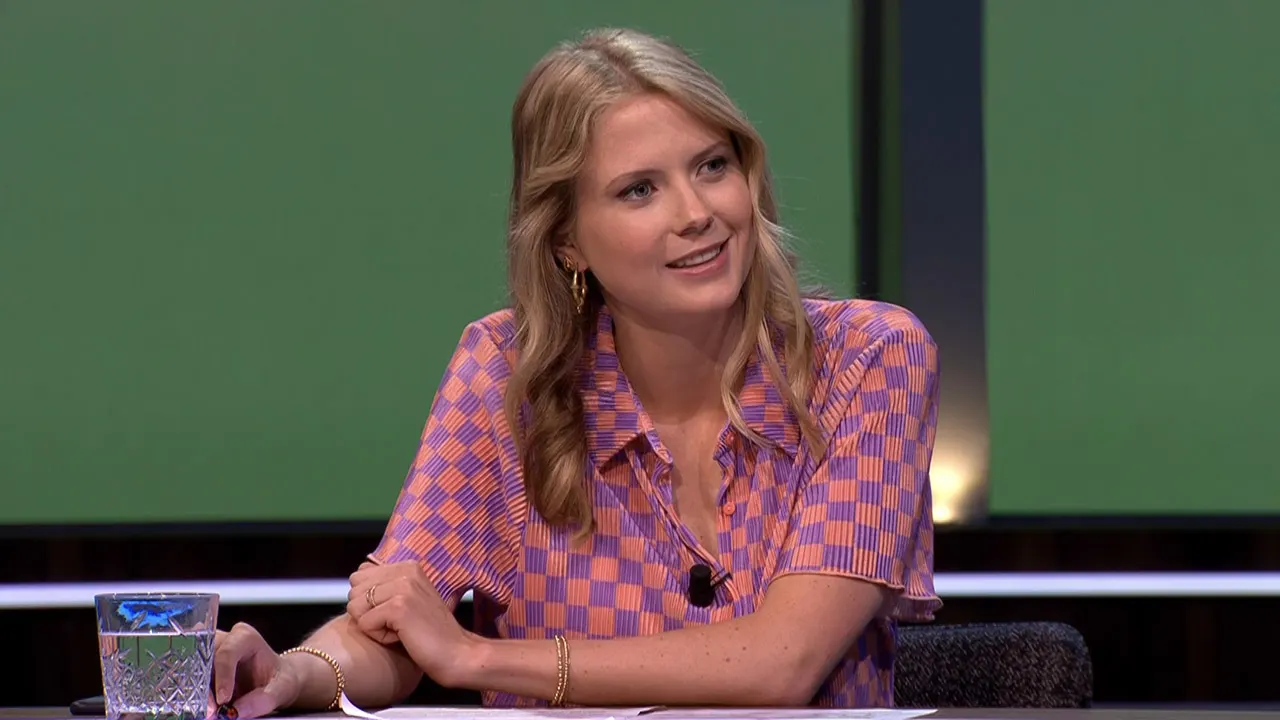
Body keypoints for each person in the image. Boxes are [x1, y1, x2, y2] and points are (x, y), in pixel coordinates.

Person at [211, 27, 941, 714]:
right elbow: (394, 628)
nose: (696, 212)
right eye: (639, 190)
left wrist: (478, 658)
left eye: (712, 166)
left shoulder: (867, 359)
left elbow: (783, 664)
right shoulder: (508, 376)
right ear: (568, 241)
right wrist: (294, 673)